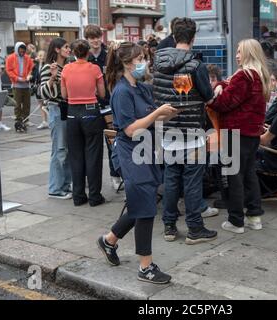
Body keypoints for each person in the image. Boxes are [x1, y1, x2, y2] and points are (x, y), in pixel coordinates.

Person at [99, 42, 179, 284]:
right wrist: (157, 114)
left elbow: (149, 117)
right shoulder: (121, 92)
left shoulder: (142, 88)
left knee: (142, 203)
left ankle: (109, 240)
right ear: (127, 62)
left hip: (147, 151)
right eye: (142, 58)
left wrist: (170, 111)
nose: (146, 62)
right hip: (131, 153)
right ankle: (145, 267)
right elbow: (132, 129)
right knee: (145, 208)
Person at [153, 17, 218, 244]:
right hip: (191, 132)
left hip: (168, 130)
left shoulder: (158, 62)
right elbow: (208, 97)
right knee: (192, 181)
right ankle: (195, 229)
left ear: (173, 35)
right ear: (193, 38)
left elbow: (162, 94)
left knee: (171, 179)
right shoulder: (195, 65)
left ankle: (169, 227)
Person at [208, 39, 270, 234]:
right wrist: (219, 84)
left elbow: (224, 104)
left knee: (234, 177)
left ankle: (236, 221)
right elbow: (227, 85)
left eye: (239, 51)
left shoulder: (244, 75)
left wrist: (212, 98)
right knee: (249, 174)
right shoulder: (259, 75)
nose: (236, 55)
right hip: (252, 133)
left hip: (235, 133)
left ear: (249, 53)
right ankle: (254, 216)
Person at [61, 40, 106, 207]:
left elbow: (64, 95)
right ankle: (95, 196)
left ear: (73, 53)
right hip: (90, 112)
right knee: (93, 154)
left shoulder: (66, 69)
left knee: (75, 155)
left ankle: (78, 196)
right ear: (88, 53)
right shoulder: (94, 69)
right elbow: (102, 93)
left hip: (72, 112)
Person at [84, 24, 122, 190]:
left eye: (98, 37)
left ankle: (115, 174)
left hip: (108, 105)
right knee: (91, 145)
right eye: (92, 38)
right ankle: (89, 178)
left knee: (112, 143)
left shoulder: (108, 55)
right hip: (90, 106)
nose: (96, 41)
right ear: (87, 39)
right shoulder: (83, 56)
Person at [39, 38, 72, 200]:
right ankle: (55, 188)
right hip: (56, 109)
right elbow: (42, 93)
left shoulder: (67, 66)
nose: (69, 50)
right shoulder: (48, 67)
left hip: (67, 110)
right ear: (57, 49)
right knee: (59, 150)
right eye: (66, 47)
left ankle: (65, 185)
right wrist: (52, 78)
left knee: (66, 150)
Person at [6, 42, 35, 130]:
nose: (22, 53)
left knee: (27, 104)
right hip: (17, 84)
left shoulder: (27, 58)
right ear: (16, 50)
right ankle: (18, 120)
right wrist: (18, 78)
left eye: (23, 52)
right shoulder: (10, 58)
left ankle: (26, 119)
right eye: (20, 52)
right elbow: (9, 70)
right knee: (17, 104)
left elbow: (31, 68)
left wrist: (29, 75)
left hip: (26, 84)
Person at [32, 50, 49, 130]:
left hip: (45, 86)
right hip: (38, 87)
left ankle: (49, 120)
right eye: (39, 55)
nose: (41, 57)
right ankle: (44, 121)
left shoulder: (46, 65)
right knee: (41, 105)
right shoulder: (35, 65)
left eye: (42, 55)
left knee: (47, 105)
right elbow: (34, 76)